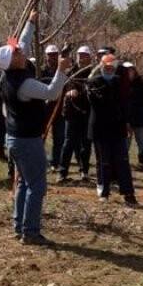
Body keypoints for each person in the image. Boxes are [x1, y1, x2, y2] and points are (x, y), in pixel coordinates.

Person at [0, 13, 72, 245]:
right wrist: (61, 70)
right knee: (37, 186)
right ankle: (30, 232)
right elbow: (51, 93)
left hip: (15, 137)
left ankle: (19, 225)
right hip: (27, 140)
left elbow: (24, 42)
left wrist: (30, 22)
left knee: (24, 183)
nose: (21, 50)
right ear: (13, 61)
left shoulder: (8, 75)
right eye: (17, 52)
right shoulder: (25, 84)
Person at [88, 54, 137, 206]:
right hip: (101, 128)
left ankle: (128, 193)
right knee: (104, 161)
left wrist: (127, 122)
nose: (108, 69)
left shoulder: (118, 82)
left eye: (111, 67)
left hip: (118, 127)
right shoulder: (93, 83)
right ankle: (104, 192)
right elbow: (99, 104)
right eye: (106, 67)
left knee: (122, 160)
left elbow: (125, 103)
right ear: (101, 67)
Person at [57, 46, 95, 183]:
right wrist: (69, 91)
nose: (81, 57)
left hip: (87, 113)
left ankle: (84, 171)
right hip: (71, 113)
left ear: (89, 57)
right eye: (79, 55)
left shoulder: (93, 72)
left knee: (86, 144)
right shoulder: (70, 71)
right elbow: (63, 86)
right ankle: (62, 173)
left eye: (84, 55)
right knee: (68, 143)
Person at [39, 45, 66, 166]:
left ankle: (56, 161)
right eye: (50, 55)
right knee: (40, 137)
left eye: (55, 54)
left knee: (59, 138)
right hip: (44, 110)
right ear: (46, 56)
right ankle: (40, 159)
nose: (52, 57)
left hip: (59, 109)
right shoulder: (41, 71)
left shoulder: (63, 70)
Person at [124, 62, 143, 171]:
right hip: (127, 119)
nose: (128, 73)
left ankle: (142, 162)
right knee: (126, 141)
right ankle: (124, 162)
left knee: (141, 140)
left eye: (130, 70)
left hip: (140, 118)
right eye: (126, 71)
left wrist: (140, 110)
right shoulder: (122, 85)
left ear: (134, 71)